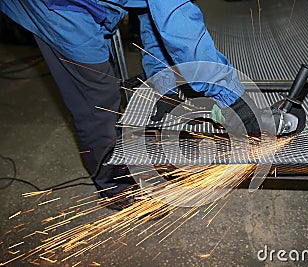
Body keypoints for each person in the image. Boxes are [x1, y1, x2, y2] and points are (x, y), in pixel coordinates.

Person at [0, 0, 260, 210]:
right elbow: (178, 21)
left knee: (147, 25)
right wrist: (231, 98)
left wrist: (165, 89)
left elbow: (154, 18)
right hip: (57, 7)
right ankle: (115, 184)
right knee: (97, 96)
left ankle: (142, 150)